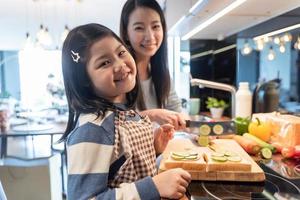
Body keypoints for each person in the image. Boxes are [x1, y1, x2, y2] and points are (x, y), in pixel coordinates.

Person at [60, 23, 191, 200]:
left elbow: (121, 171)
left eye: (121, 53)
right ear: (84, 80)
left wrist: (154, 149)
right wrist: (154, 186)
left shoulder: (122, 114)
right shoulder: (92, 130)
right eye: (105, 62)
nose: (120, 65)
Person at [120, 0, 187, 130]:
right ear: (126, 34)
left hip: (157, 149)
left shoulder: (161, 73)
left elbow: (177, 111)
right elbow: (112, 123)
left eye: (155, 26)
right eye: (139, 28)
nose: (150, 37)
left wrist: (198, 130)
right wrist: (153, 115)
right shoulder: (119, 74)